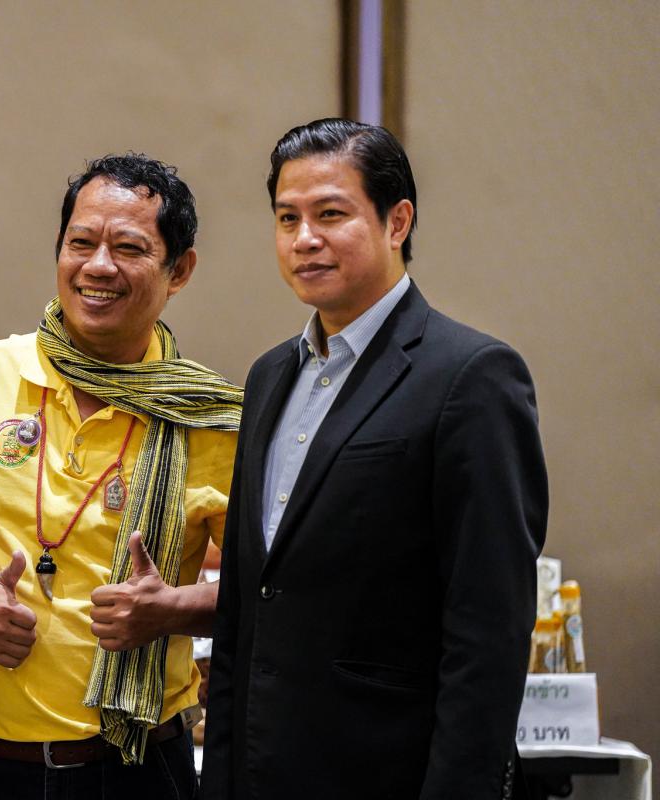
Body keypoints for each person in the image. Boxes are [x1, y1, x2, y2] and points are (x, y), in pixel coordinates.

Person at [201, 118, 548, 799]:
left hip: (388, 773)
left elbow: (488, 629)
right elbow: (246, 610)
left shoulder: (471, 376)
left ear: (398, 222)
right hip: (263, 770)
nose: (305, 239)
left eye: (331, 214)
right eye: (287, 218)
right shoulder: (269, 376)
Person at [0, 154, 242, 799]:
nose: (98, 266)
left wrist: (171, 610)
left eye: (129, 248)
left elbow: (269, 595)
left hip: (141, 770)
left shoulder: (213, 419)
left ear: (180, 270)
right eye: (81, 242)